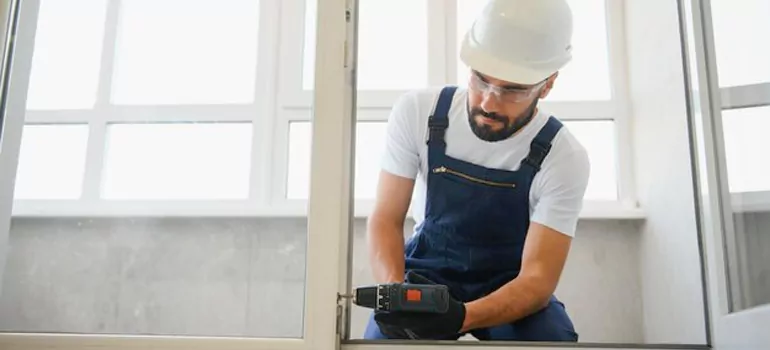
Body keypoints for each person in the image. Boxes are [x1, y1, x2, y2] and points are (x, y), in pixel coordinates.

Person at [362, 0, 589, 342]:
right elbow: (385, 218)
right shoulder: (418, 113)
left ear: (547, 84)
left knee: (552, 340)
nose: (488, 103)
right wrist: (396, 295)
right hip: (426, 273)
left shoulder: (564, 156)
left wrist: (462, 317)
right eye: (481, 81)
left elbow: (538, 279)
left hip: (511, 282)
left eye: (512, 89)